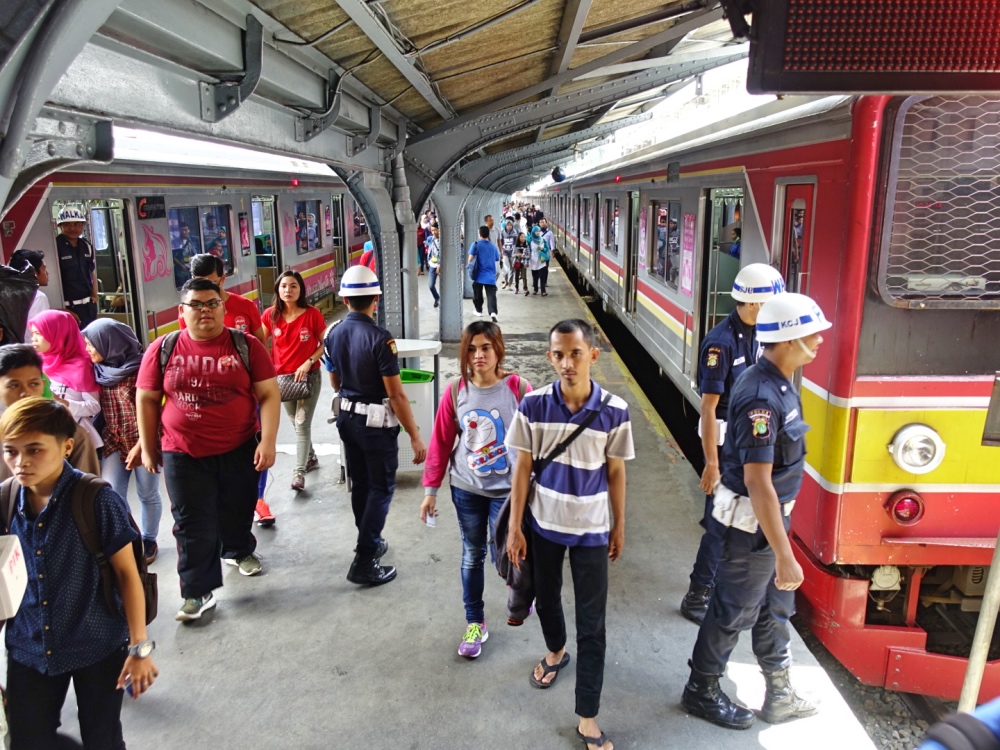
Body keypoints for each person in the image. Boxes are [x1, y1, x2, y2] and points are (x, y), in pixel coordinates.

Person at [682, 292, 831, 730]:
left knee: (774, 610)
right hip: (753, 528)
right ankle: (701, 690)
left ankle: (779, 694)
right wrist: (785, 553)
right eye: (810, 334)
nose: (819, 340)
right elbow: (758, 482)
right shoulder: (762, 397)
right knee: (732, 612)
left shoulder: (779, 382)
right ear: (786, 340)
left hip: (769, 524)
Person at [1, 397, 159, 749]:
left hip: (98, 644)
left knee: (101, 737)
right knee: (27, 740)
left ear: (67, 446)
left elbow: (128, 576)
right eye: (10, 451)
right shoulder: (6, 500)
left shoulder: (96, 499)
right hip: (29, 646)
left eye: (35, 449)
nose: (20, 462)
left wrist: (139, 648)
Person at [506, 319, 634, 750]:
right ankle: (556, 650)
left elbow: (616, 471)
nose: (566, 363)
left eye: (575, 353)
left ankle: (587, 717)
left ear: (592, 355)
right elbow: (522, 468)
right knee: (546, 595)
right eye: (558, 355)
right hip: (543, 526)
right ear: (550, 358)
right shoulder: (534, 406)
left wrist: (620, 523)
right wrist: (514, 527)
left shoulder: (614, 410)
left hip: (593, 531)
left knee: (592, 623)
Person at [136, 278, 280, 621]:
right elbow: (145, 398)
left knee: (237, 506)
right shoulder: (163, 348)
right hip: (182, 450)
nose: (205, 311)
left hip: (238, 446)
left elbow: (269, 394)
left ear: (223, 308)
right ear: (182, 311)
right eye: (196, 305)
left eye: (212, 303)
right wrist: (147, 445)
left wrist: (270, 441)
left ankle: (238, 549)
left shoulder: (245, 345)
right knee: (190, 521)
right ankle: (197, 593)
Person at [680, 264, 786, 624]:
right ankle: (698, 596)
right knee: (720, 521)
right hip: (725, 445)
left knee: (728, 519)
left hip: (747, 442)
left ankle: (711, 587)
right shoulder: (721, 343)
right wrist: (711, 464)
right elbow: (708, 409)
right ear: (753, 304)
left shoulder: (760, 333)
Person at [419, 322, 531, 658]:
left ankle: (522, 592)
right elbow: (440, 443)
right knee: (472, 554)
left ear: (499, 349)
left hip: (507, 492)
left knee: (508, 552)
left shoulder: (520, 389)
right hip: (466, 488)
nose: (478, 355)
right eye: (471, 349)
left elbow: (537, 442)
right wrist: (430, 490)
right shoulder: (456, 391)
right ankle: (475, 622)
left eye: (485, 347)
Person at [323, 265, 426, 586]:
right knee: (381, 488)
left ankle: (369, 540)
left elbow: (335, 381)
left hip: (347, 420)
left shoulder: (333, 332)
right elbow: (396, 395)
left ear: (344, 298)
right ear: (376, 298)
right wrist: (415, 435)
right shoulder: (382, 340)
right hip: (376, 425)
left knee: (362, 485)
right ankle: (365, 559)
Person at [180, 253, 273, 524]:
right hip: (207, 401)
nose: (203, 290)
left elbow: (260, 348)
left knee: (255, 446)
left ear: (222, 278)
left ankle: (258, 498)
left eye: (209, 282)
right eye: (196, 282)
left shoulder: (244, 307)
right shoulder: (188, 311)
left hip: (245, 397)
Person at [83, 319, 163, 565]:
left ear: (110, 344)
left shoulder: (143, 369)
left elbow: (159, 411)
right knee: (112, 493)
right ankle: (129, 537)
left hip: (145, 441)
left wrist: (144, 444)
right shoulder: (97, 370)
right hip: (113, 440)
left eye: (91, 344)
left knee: (147, 493)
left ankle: (149, 539)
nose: (87, 349)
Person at [263, 270, 325, 491]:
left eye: (293, 286)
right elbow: (259, 342)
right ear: (278, 290)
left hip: (309, 378)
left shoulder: (312, 314)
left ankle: (298, 473)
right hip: (282, 380)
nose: (288, 290)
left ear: (301, 290)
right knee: (296, 423)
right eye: (284, 286)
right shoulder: (270, 315)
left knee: (301, 424)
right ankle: (311, 457)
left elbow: (323, 344)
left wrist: (309, 361)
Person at [0, 344, 100, 481]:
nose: (26, 393)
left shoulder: (71, 433)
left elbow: (88, 493)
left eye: (33, 384)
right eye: (14, 385)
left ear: (42, 384)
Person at [29, 309, 103, 452]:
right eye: (32, 334)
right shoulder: (35, 363)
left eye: (38, 334)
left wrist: (62, 402)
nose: (33, 339)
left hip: (75, 438)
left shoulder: (81, 367)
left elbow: (94, 407)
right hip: (44, 436)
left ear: (57, 334)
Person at [55, 206, 99, 328]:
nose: (72, 228)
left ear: (83, 226)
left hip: (88, 306)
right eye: (67, 225)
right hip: (69, 307)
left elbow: (91, 272)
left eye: (77, 224)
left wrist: (95, 295)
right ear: (60, 226)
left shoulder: (86, 246)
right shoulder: (55, 247)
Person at [9, 249, 50, 339]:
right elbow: (39, 333)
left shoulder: (9, 293)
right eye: (44, 269)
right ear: (34, 273)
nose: (47, 273)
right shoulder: (38, 297)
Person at [467, 225, 501, 322]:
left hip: (478, 275)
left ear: (480, 234)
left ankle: (479, 311)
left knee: (477, 294)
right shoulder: (493, 246)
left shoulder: (476, 244)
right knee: (491, 295)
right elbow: (496, 259)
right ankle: (493, 312)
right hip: (490, 276)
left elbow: (470, 259)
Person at [527, 225, 551, 296]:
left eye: (538, 231)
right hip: (533, 261)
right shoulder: (530, 240)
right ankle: (535, 289)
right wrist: (527, 260)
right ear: (533, 232)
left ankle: (543, 291)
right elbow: (527, 250)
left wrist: (542, 249)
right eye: (536, 231)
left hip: (541, 260)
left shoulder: (542, 239)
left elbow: (547, 248)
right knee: (535, 276)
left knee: (542, 276)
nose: (538, 233)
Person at [499, 218, 518, 289]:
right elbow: (501, 242)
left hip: (512, 252)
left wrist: (516, 251)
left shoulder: (515, 232)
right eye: (508, 225)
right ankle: (505, 281)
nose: (509, 226)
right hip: (505, 252)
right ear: (505, 226)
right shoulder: (502, 232)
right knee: (506, 267)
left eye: (510, 225)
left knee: (512, 268)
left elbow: (516, 242)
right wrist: (501, 251)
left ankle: (510, 284)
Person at [427, 224, 441, 309]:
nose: (434, 232)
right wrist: (429, 261)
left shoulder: (443, 240)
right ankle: (437, 298)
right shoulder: (431, 239)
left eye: (435, 230)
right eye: (432, 230)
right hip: (432, 264)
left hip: (441, 265)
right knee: (431, 285)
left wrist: (439, 265)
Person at [512, 231, 529, 296]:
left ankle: (525, 289)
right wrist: (517, 254)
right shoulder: (515, 246)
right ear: (519, 238)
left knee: (524, 276)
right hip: (517, 263)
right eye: (522, 237)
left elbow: (529, 255)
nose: (523, 238)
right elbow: (512, 254)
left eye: (524, 237)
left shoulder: (526, 246)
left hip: (523, 263)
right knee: (516, 276)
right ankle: (516, 288)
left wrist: (523, 256)